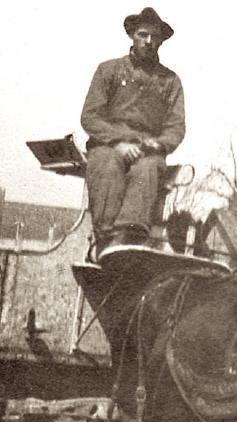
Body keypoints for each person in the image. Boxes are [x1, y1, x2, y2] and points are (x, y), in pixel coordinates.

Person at [80, 7, 185, 256]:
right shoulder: (109, 70)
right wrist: (118, 142)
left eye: (154, 37)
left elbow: (176, 126)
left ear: (160, 40)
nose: (148, 42)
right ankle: (105, 242)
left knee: (149, 169)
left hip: (147, 148)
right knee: (106, 164)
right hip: (110, 143)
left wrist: (156, 145)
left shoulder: (170, 81)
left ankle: (127, 242)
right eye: (143, 35)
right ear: (132, 36)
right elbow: (90, 116)